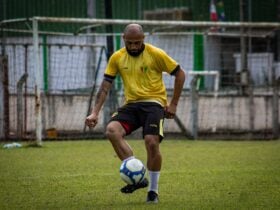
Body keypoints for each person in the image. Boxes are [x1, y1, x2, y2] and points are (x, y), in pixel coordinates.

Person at [85, 23, 185, 203]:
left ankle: (152, 191)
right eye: (129, 43)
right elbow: (105, 87)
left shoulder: (156, 54)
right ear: (124, 39)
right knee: (111, 130)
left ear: (143, 40)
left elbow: (180, 74)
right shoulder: (117, 57)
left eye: (137, 43)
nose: (133, 47)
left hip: (154, 104)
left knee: (151, 142)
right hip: (131, 105)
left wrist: (174, 104)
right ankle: (137, 173)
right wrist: (94, 113)